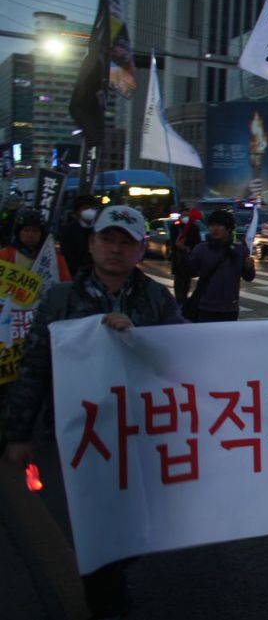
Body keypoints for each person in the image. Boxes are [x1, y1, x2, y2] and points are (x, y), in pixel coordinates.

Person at [1, 205, 184, 619]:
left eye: (126, 243)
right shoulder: (60, 298)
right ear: (92, 244)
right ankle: (106, 597)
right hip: (81, 434)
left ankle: (113, 573)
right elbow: (35, 366)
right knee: (93, 519)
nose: (115, 249)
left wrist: (140, 337)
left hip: (139, 432)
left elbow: (182, 353)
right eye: (108, 239)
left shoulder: (156, 299)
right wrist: (18, 432)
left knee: (137, 519)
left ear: (140, 250)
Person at [182, 209, 255, 322]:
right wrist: (184, 252)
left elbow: (249, 277)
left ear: (228, 229)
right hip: (205, 308)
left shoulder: (240, 251)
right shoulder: (201, 249)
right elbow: (189, 272)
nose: (214, 229)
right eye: (212, 225)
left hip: (230, 309)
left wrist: (249, 266)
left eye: (219, 225)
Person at [0, 208, 71, 280]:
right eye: (26, 230)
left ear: (41, 234)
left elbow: (65, 282)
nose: (30, 235)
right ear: (18, 233)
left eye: (35, 231)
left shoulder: (54, 259)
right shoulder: (5, 254)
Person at [59, 194, 98, 275]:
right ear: (78, 211)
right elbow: (67, 255)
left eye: (92, 208)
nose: (90, 211)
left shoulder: (99, 229)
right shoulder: (68, 230)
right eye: (86, 208)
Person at [171, 204, 203, 304]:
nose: (185, 217)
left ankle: (184, 298)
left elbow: (197, 242)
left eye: (187, 215)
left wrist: (188, 248)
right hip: (178, 258)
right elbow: (172, 242)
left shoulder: (194, 228)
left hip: (189, 257)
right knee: (178, 280)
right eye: (183, 215)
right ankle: (179, 299)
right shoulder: (175, 227)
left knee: (186, 280)